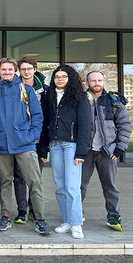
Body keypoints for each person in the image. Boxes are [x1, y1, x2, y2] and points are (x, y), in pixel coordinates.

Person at [0, 57, 50, 235]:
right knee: (5, 183)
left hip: (25, 145)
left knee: (34, 182)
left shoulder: (26, 89)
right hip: (2, 147)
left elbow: (37, 116)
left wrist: (32, 136)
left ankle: (40, 219)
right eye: (3, 69)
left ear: (15, 71)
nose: (7, 72)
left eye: (10, 69)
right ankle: (6, 217)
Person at [38, 65, 91, 239]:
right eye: (57, 77)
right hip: (55, 145)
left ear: (71, 79)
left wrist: (81, 152)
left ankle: (77, 224)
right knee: (60, 186)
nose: (59, 79)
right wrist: (44, 148)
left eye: (63, 76)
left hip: (72, 146)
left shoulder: (80, 98)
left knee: (72, 187)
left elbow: (85, 126)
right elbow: (45, 124)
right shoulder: (50, 97)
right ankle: (67, 221)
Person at [80, 71, 131, 231]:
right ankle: (76, 214)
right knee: (79, 185)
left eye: (99, 80)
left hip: (107, 151)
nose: (96, 83)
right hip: (85, 151)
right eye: (93, 80)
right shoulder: (79, 100)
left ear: (103, 81)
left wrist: (121, 146)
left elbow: (124, 125)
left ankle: (114, 216)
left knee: (110, 186)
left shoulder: (114, 102)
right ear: (87, 83)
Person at [13, 56, 49, 224]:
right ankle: (22, 211)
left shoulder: (46, 91)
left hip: (38, 141)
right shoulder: (14, 87)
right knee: (19, 177)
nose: (26, 72)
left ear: (35, 69)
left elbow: (46, 119)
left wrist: (43, 147)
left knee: (35, 178)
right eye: (23, 69)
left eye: (29, 69)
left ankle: (34, 211)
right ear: (19, 71)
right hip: (19, 140)